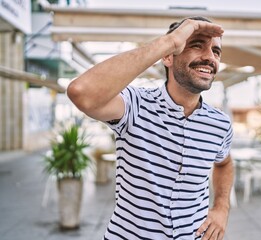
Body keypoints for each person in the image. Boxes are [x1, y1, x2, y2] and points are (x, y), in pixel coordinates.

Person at [67, 16, 234, 240]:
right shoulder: (135, 105)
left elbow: (224, 163)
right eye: (196, 45)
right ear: (168, 56)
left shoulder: (220, 123)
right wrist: (170, 41)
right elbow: (81, 92)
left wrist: (222, 208)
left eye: (216, 51)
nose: (209, 57)